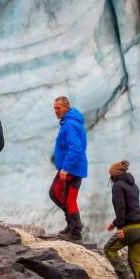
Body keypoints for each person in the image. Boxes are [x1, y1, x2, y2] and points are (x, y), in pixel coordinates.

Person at [103, 159, 140, 279]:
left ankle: (123, 278)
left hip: (131, 229)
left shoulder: (117, 186)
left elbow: (121, 208)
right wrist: (115, 222)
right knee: (135, 260)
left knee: (109, 249)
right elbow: (132, 207)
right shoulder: (133, 185)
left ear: (114, 175)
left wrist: (120, 228)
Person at [49, 96, 88, 241]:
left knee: (65, 198)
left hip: (72, 169)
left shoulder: (70, 124)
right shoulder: (68, 123)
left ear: (66, 107)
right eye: (54, 108)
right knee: (59, 195)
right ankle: (72, 226)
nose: (55, 111)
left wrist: (66, 168)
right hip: (70, 168)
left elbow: (75, 148)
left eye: (58, 108)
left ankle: (76, 231)